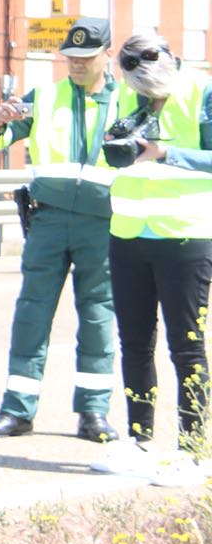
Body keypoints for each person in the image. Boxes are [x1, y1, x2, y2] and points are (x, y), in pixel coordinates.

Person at [0, 18, 129, 441]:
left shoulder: (128, 101)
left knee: (98, 317)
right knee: (32, 313)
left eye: (85, 58)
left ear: (107, 56)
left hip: (103, 223)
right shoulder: (44, 95)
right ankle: (17, 411)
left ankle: (93, 414)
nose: (75, 65)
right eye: (70, 58)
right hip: (48, 219)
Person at [91, 32, 212, 472]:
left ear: (166, 64)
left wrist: (165, 154)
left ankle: (193, 448)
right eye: (133, 83)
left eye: (146, 83)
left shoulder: (202, 91)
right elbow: (112, 158)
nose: (140, 91)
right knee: (135, 342)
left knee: (187, 346)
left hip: (185, 235)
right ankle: (140, 440)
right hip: (127, 233)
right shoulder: (127, 97)